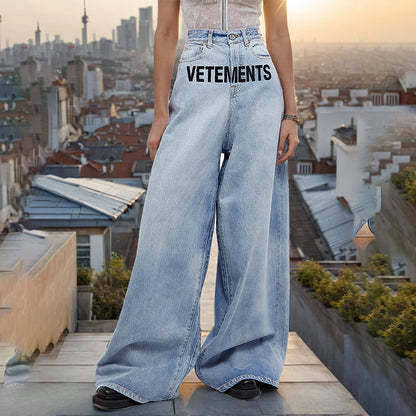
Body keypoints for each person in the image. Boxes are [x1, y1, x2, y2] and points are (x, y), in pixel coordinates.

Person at [92, 0, 299, 410]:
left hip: (259, 78)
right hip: (198, 70)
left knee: (251, 227)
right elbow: (167, 30)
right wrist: (158, 112)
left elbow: (277, 29)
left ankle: (242, 359)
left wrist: (291, 112)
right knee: (170, 222)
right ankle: (142, 366)